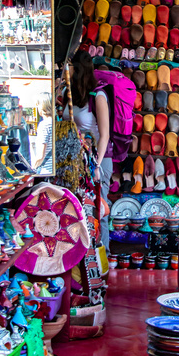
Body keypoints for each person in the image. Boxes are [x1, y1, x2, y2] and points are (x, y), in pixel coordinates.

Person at [70, 50, 112, 249]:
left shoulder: (98, 96)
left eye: (70, 67)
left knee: (98, 209)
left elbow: (105, 135)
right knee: (78, 209)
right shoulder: (69, 94)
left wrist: (96, 165)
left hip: (98, 160)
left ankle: (102, 260)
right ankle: (83, 258)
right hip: (77, 160)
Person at [33, 93, 54, 175]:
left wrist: (32, 169)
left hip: (46, 171)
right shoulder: (56, 123)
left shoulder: (44, 125)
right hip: (55, 168)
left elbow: (40, 156)